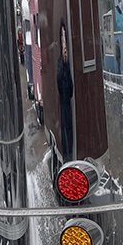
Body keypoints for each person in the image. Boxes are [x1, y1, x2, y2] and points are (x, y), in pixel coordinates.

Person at [56, 20, 74, 160]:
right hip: (64, 106)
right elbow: (63, 90)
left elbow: (70, 91)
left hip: (68, 106)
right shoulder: (60, 64)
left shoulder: (67, 64)